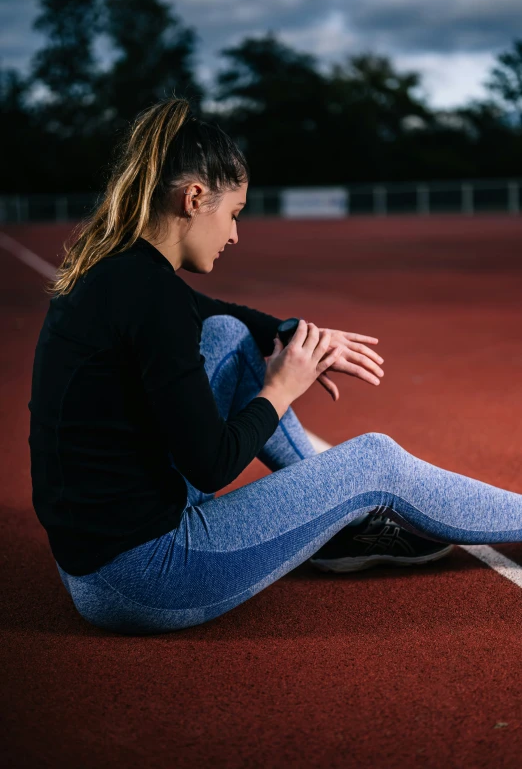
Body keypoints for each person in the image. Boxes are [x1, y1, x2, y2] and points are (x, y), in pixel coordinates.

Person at [28, 97, 520, 637]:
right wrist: (281, 388)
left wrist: (292, 332)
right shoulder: (154, 297)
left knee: (229, 336)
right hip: (145, 578)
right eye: (233, 214)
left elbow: (212, 312)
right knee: (377, 461)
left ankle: (337, 531)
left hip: (94, 563)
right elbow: (212, 466)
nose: (235, 235)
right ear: (194, 198)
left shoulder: (114, 272)